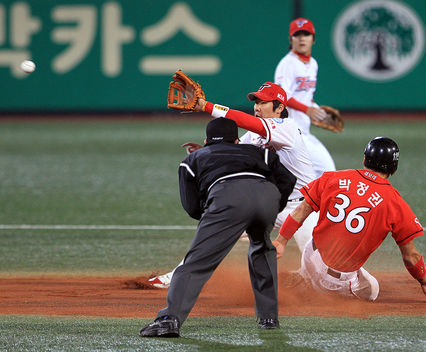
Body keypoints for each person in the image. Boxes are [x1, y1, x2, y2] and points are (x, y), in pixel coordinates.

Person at [148, 82, 319, 289]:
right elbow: (234, 154)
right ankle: (178, 275)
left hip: (304, 208)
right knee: (214, 229)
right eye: (256, 102)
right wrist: (204, 152)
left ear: (280, 107)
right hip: (270, 204)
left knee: (321, 269)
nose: (257, 107)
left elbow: (244, 121)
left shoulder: (287, 128)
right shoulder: (254, 135)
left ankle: (328, 281)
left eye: (263, 102)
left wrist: (206, 106)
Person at [140, 118, 296, 337]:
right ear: (236, 140)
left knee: (196, 263)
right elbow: (288, 179)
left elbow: (192, 207)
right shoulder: (260, 152)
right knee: (262, 250)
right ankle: (269, 319)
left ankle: (168, 320)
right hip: (266, 197)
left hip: (227, 199)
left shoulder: (193, 158)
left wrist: (218, 213)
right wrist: (274, 205)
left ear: (206, 141)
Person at [272, 136, 426, 303]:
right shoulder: (395, 203)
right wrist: (425, 282)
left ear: (365, 160)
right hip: (334, 281)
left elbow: (301, 210)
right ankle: (311, 286)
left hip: (310, 253)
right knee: (373, 290)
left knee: (331, 253)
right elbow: (411, 256)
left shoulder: (333, 177)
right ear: (393, 168)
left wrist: (281, 241)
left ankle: (305, 274)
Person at [275, 17, 336, 178]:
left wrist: (319, 113)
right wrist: (307, 110)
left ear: (313, 39)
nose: (302, 38)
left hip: (303, 132)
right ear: (291, 39)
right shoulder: (287, 64)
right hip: (290, 131)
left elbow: (306, 97)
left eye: (306, 34)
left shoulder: (313, 64)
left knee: (314, 175)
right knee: (327, 171)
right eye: (297, 34)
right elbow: (281, 96)